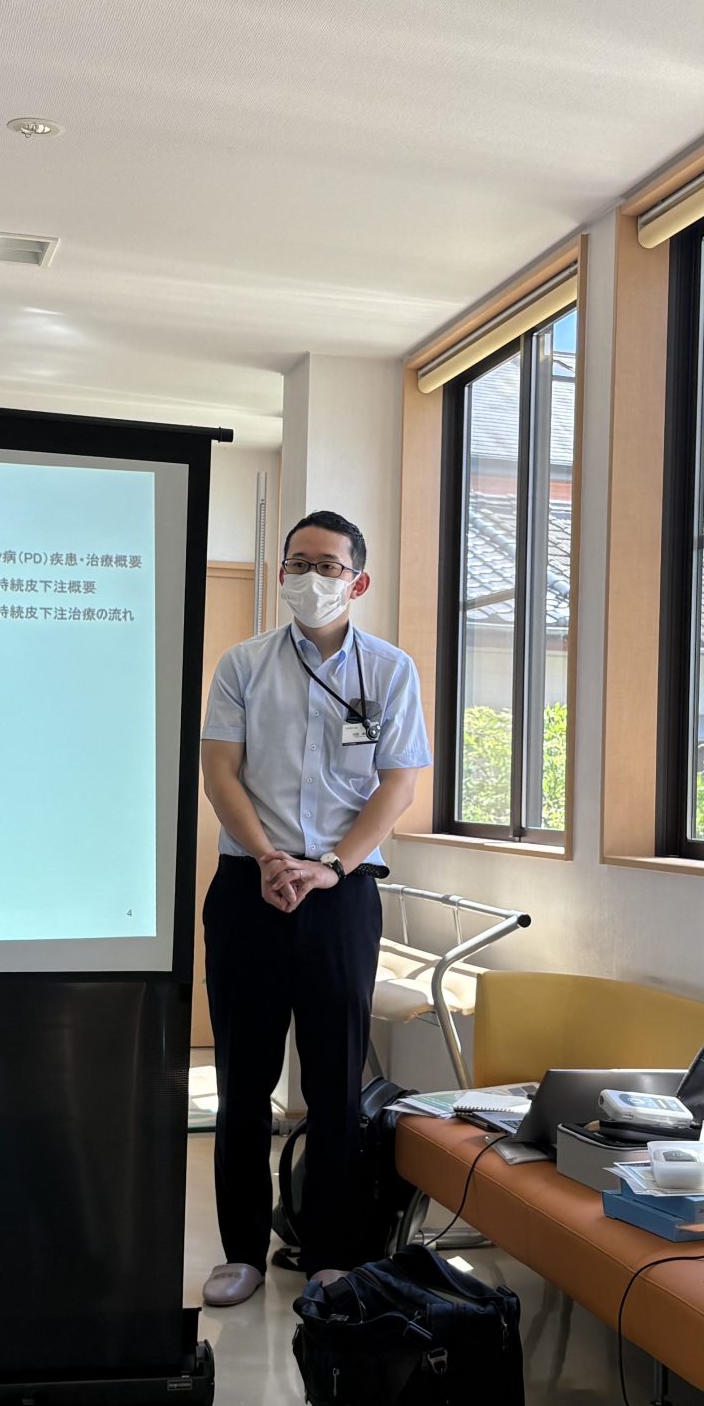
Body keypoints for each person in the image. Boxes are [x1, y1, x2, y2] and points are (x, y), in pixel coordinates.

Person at [198, 510, 428, 1308]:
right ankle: (242, 1253)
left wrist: (329, 866)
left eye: (328, 565)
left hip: (341, 893)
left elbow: (399, 784)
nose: (310, 576)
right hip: (249, 889)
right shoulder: (243, 664)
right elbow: (220, 773)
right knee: (243, 1083)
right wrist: (269, 858)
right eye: (298, 562)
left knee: (334, 1084)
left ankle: (331, 1251)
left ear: (357, 582)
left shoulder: (390, 670)